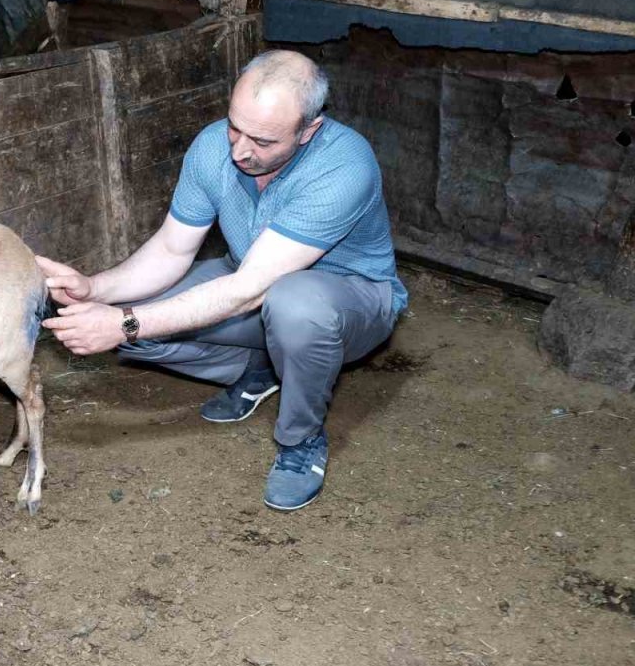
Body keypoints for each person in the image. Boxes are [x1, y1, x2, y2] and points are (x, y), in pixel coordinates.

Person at [36, 49, 407, 512]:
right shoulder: (214, 146)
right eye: (235, 126)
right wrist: (96, 289)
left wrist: (124, 321)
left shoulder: (344, 165)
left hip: (346, 299)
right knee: (140, 332)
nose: (239, 151)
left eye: (263, 141)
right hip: (249, 282)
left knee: (293, 306)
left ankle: (301, 440)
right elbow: (173, 248)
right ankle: (268, 367)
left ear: (309, 130)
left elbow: (249, 289)